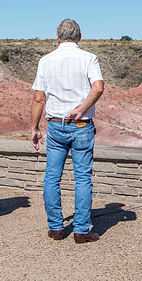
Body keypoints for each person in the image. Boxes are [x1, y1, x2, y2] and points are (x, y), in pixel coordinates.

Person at [31, 19, 105, 244]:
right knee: (82, 178)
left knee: (52, 176)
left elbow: (38, 97)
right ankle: (82, 230)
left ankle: (55, 228)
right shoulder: (88, 58)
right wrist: (82, 109)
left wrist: (34, 128)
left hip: (55, 125)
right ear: (79, 37)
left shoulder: (46, 61)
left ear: (57, 37)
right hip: (81, 125)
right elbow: (98, 86)